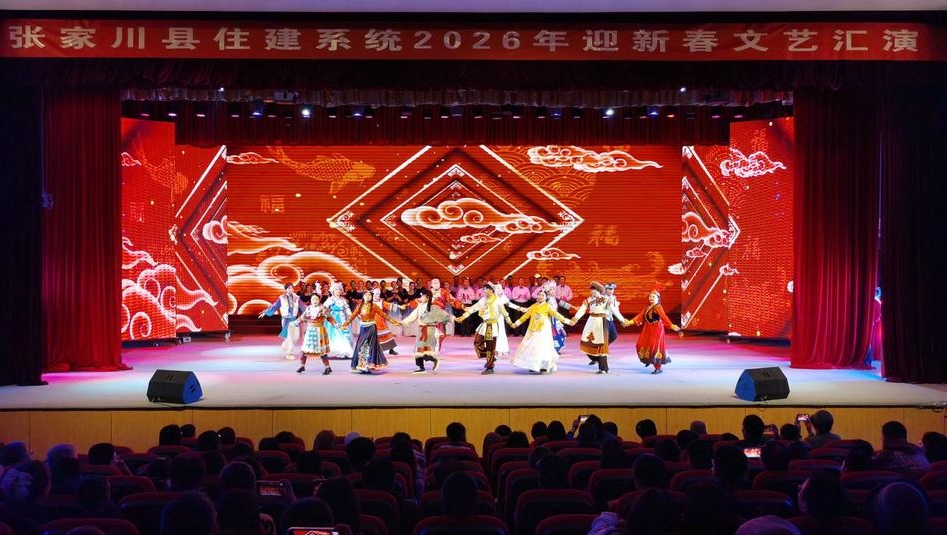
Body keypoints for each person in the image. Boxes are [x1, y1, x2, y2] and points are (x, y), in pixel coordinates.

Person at [507, 286, 574, 375]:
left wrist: (568, 322)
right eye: (539, 295)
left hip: (543, 330)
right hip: (533, 330)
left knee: (543, 348)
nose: (540, 297)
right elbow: (525, 316)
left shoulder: (547, 306)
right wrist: (516, 323)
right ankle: (533, 366)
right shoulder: (533, 306)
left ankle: (543, 367)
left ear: (546, 297)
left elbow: (557, 315)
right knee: (533, 347)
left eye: (543, 295)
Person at [454, 282, 513, 374]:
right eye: (484, 289)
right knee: (477, 343)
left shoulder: (497, 301)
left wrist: (511, 323)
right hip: (484, 324)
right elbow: (473, 308)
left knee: (490, 347)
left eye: (486, 289)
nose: (484, 291)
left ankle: (490, 367)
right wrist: (463, 317)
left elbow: (505, 313)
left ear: (492, 290)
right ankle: (491, 357)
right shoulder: (483, 300)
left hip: (492, 326)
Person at [571, 281, 629, 374]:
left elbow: (614, 310)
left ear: (599, 291)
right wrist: (575, 318)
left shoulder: (606, 300)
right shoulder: (588, 300)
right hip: (591, 322)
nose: (592, 293)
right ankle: (595, 358)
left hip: (602, 322)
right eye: (591, 292)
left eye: (594, 291)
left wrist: (622, 320)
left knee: (602, 345)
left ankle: (603, 368)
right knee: (586, 341)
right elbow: (582, 309)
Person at [341, 291, 401, 373]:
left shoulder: (374, 306)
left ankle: (369, 365)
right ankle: (361, 365)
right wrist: (345, 324)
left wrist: (394, 322)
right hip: (363, 328)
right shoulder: (360, 306)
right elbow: (353, 315)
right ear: (363, 297)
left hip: (371, 327)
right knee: (360, 346)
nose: (368, 296)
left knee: (369, 346)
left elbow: (383, 314)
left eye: (369, 295)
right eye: (366, 295)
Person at [626, 289, 680, 374]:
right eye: (650, 296)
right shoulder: (648, 306)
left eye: (653, 297)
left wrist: (671, 325)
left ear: (658, 298)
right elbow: (641, 315)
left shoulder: (658, 307)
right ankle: (648, 359)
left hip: (657, 329)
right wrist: (631, 321)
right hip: (648, 328)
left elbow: (664, 317)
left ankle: (658, 368)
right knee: (641, 343)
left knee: (654, 347)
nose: (651, 298)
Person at [400, 289, 452, 373]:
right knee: (419, 349)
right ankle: (421, 366)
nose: (421, 298)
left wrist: (453, 318)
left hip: (429, 330)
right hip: (421, 330)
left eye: (422, 296)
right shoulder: (420, 306)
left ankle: (433, 360)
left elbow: (443, 315)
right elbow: (412, 316)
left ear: (427, 298)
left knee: (427, 349)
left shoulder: (433, 307)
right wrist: (403, 323)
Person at [258, 282, 303, 360]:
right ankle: (289, 353)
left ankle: (285, 345)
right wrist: (265, 312)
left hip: (295, 320)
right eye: (289, 288)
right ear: (285, 290)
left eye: (292, 288)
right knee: (289, 337)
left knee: (296, 336)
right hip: (286, 320)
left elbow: (303, 307)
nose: (291, 289)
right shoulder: (281, 298)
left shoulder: (297, 298)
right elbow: (274, 306)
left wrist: (311, 311)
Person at [296, 298, 340, 375]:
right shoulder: (308, 308)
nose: (315, 301)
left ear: (319, 300)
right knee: (305, 350)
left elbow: (329, 317)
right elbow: (303, 317)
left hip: (319, 331)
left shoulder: (323, 309)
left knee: (322, 351)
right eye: (313, 299)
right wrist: (296, 322)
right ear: (311, 300)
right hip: (310, 331)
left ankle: (328, 367)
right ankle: (302, 366)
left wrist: (335, 323)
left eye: (316, 299)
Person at [323, 282, 353, 359]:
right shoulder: (331, 299)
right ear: (333, 291)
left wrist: (350, 315)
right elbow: (324, 308)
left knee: (344, 334)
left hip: (342, 318)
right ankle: (335, 350)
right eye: (336, 290)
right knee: (334, 334)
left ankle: (343, 351)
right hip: (333, 319)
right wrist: (326, 314)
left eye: (339, 289)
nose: (338, 291)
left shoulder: (343, 300)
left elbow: (347, 308)